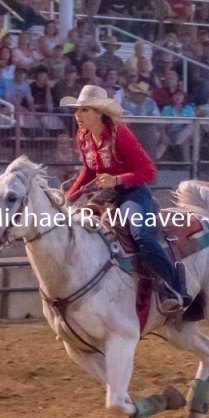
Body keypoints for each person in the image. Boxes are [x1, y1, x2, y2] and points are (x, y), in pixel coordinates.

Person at [60, 85, 191, 313]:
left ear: (99, 112)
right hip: (106, 195)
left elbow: (149, 171)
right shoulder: (83, 136)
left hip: (133, 192)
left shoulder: (120, 134)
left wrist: (117, 180)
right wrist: (68, 199)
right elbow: (88, 171)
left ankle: (174, 288)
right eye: (77, 110)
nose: (77, 115)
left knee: (142, 235)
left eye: (84, 110)